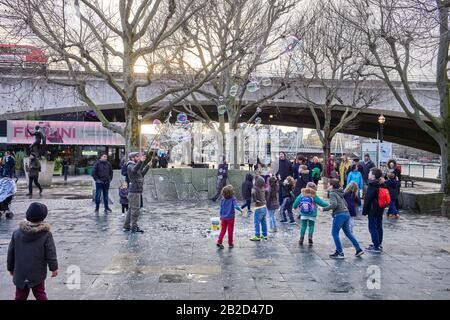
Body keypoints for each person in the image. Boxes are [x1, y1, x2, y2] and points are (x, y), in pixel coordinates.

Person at [7, 202, 58, 300]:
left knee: (20, 296)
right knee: (40, 294)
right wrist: (54, 268)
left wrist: (10, 268)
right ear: (43, 218)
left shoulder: (17, 233)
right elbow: (50, 253)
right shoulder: (46, 234)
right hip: (37, 273)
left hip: (20, 272)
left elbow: (11, 252)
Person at [323, 179, 365, 259]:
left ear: (331, 186)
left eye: (328, 184)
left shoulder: (332, 193)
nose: (327, 185)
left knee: (334, 233)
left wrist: (324, 209)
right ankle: (358, 249)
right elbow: (345, 203)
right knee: (348, 233)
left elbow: (334, 204)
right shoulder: (340, 192)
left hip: (339, 215)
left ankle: (339, 252)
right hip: (346, 214)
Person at [123, 152, 150, 233]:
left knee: (131, 209)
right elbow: (134, 170)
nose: (139, 157)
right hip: (134, 191)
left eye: (139, 157)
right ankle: (134, 227)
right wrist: (141, 162)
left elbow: (141, 174)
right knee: (135, 210)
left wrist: (148, 166)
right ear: (132, 158)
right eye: (137, 156)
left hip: (136, 190)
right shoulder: (130, 165)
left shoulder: (134, 165)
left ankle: (127, 226)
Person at [362, 168, 386, 253]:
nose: (368, 174)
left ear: (373, 175)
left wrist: (364, 211)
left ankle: (376, 246)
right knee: (379, 226)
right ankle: (378, 244)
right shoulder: (381, 184)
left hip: (373, 209)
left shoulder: (372, 185)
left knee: (372, 227)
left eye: (370, 173)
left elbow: (368, 199)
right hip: (380, 208)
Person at [249, 176, 269, 241]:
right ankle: (264, 235)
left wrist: (255, 200)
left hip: (258, 207)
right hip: (264, 207)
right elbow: (268, 192)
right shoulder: (263, 188)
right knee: (264, 222)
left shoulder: (255, 188)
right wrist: (265, 199)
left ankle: (257, 235)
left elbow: (252, 193)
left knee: (256, 222)